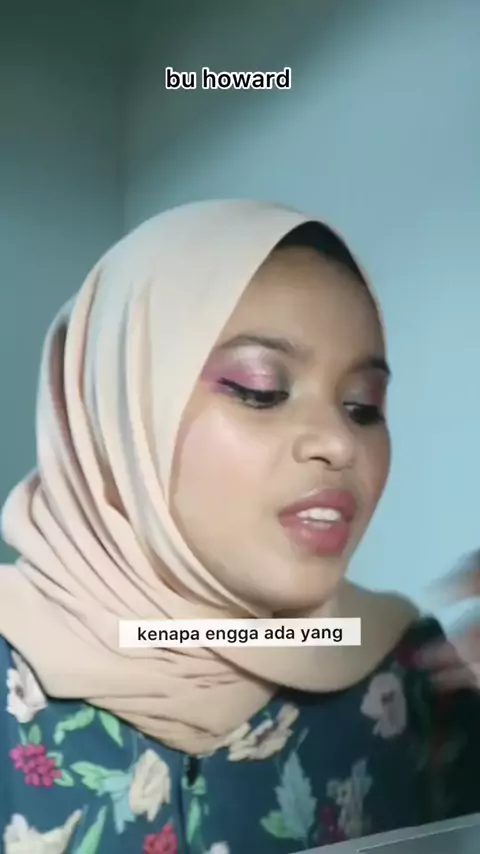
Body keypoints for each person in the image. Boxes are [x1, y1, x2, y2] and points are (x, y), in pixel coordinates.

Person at [0, 199, 479, 854]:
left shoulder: (413, 677)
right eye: (261, 389)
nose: (339, 442)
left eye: (362, 405)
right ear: (121, 411)